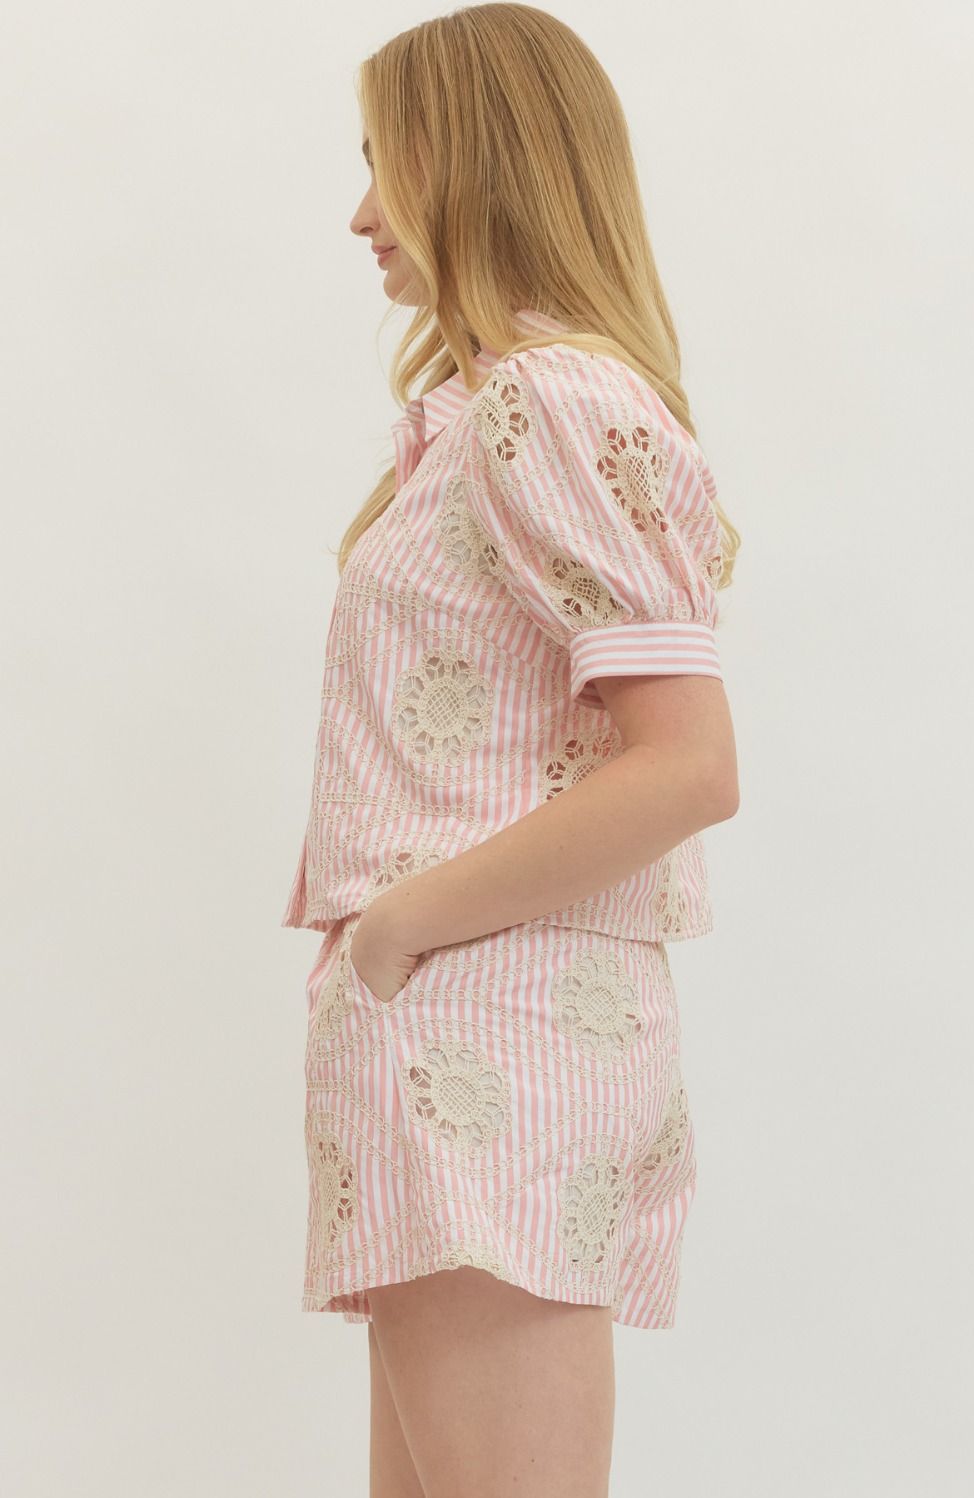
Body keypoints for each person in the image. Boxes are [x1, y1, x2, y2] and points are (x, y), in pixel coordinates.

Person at [281, 6, 741, 1494]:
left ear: (474, 163)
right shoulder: (485, 412)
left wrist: (398, 926)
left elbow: (687, 765)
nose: (363, 214)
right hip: (452, 1035)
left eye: (386, 164)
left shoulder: (549, 401)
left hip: (490, 1033)